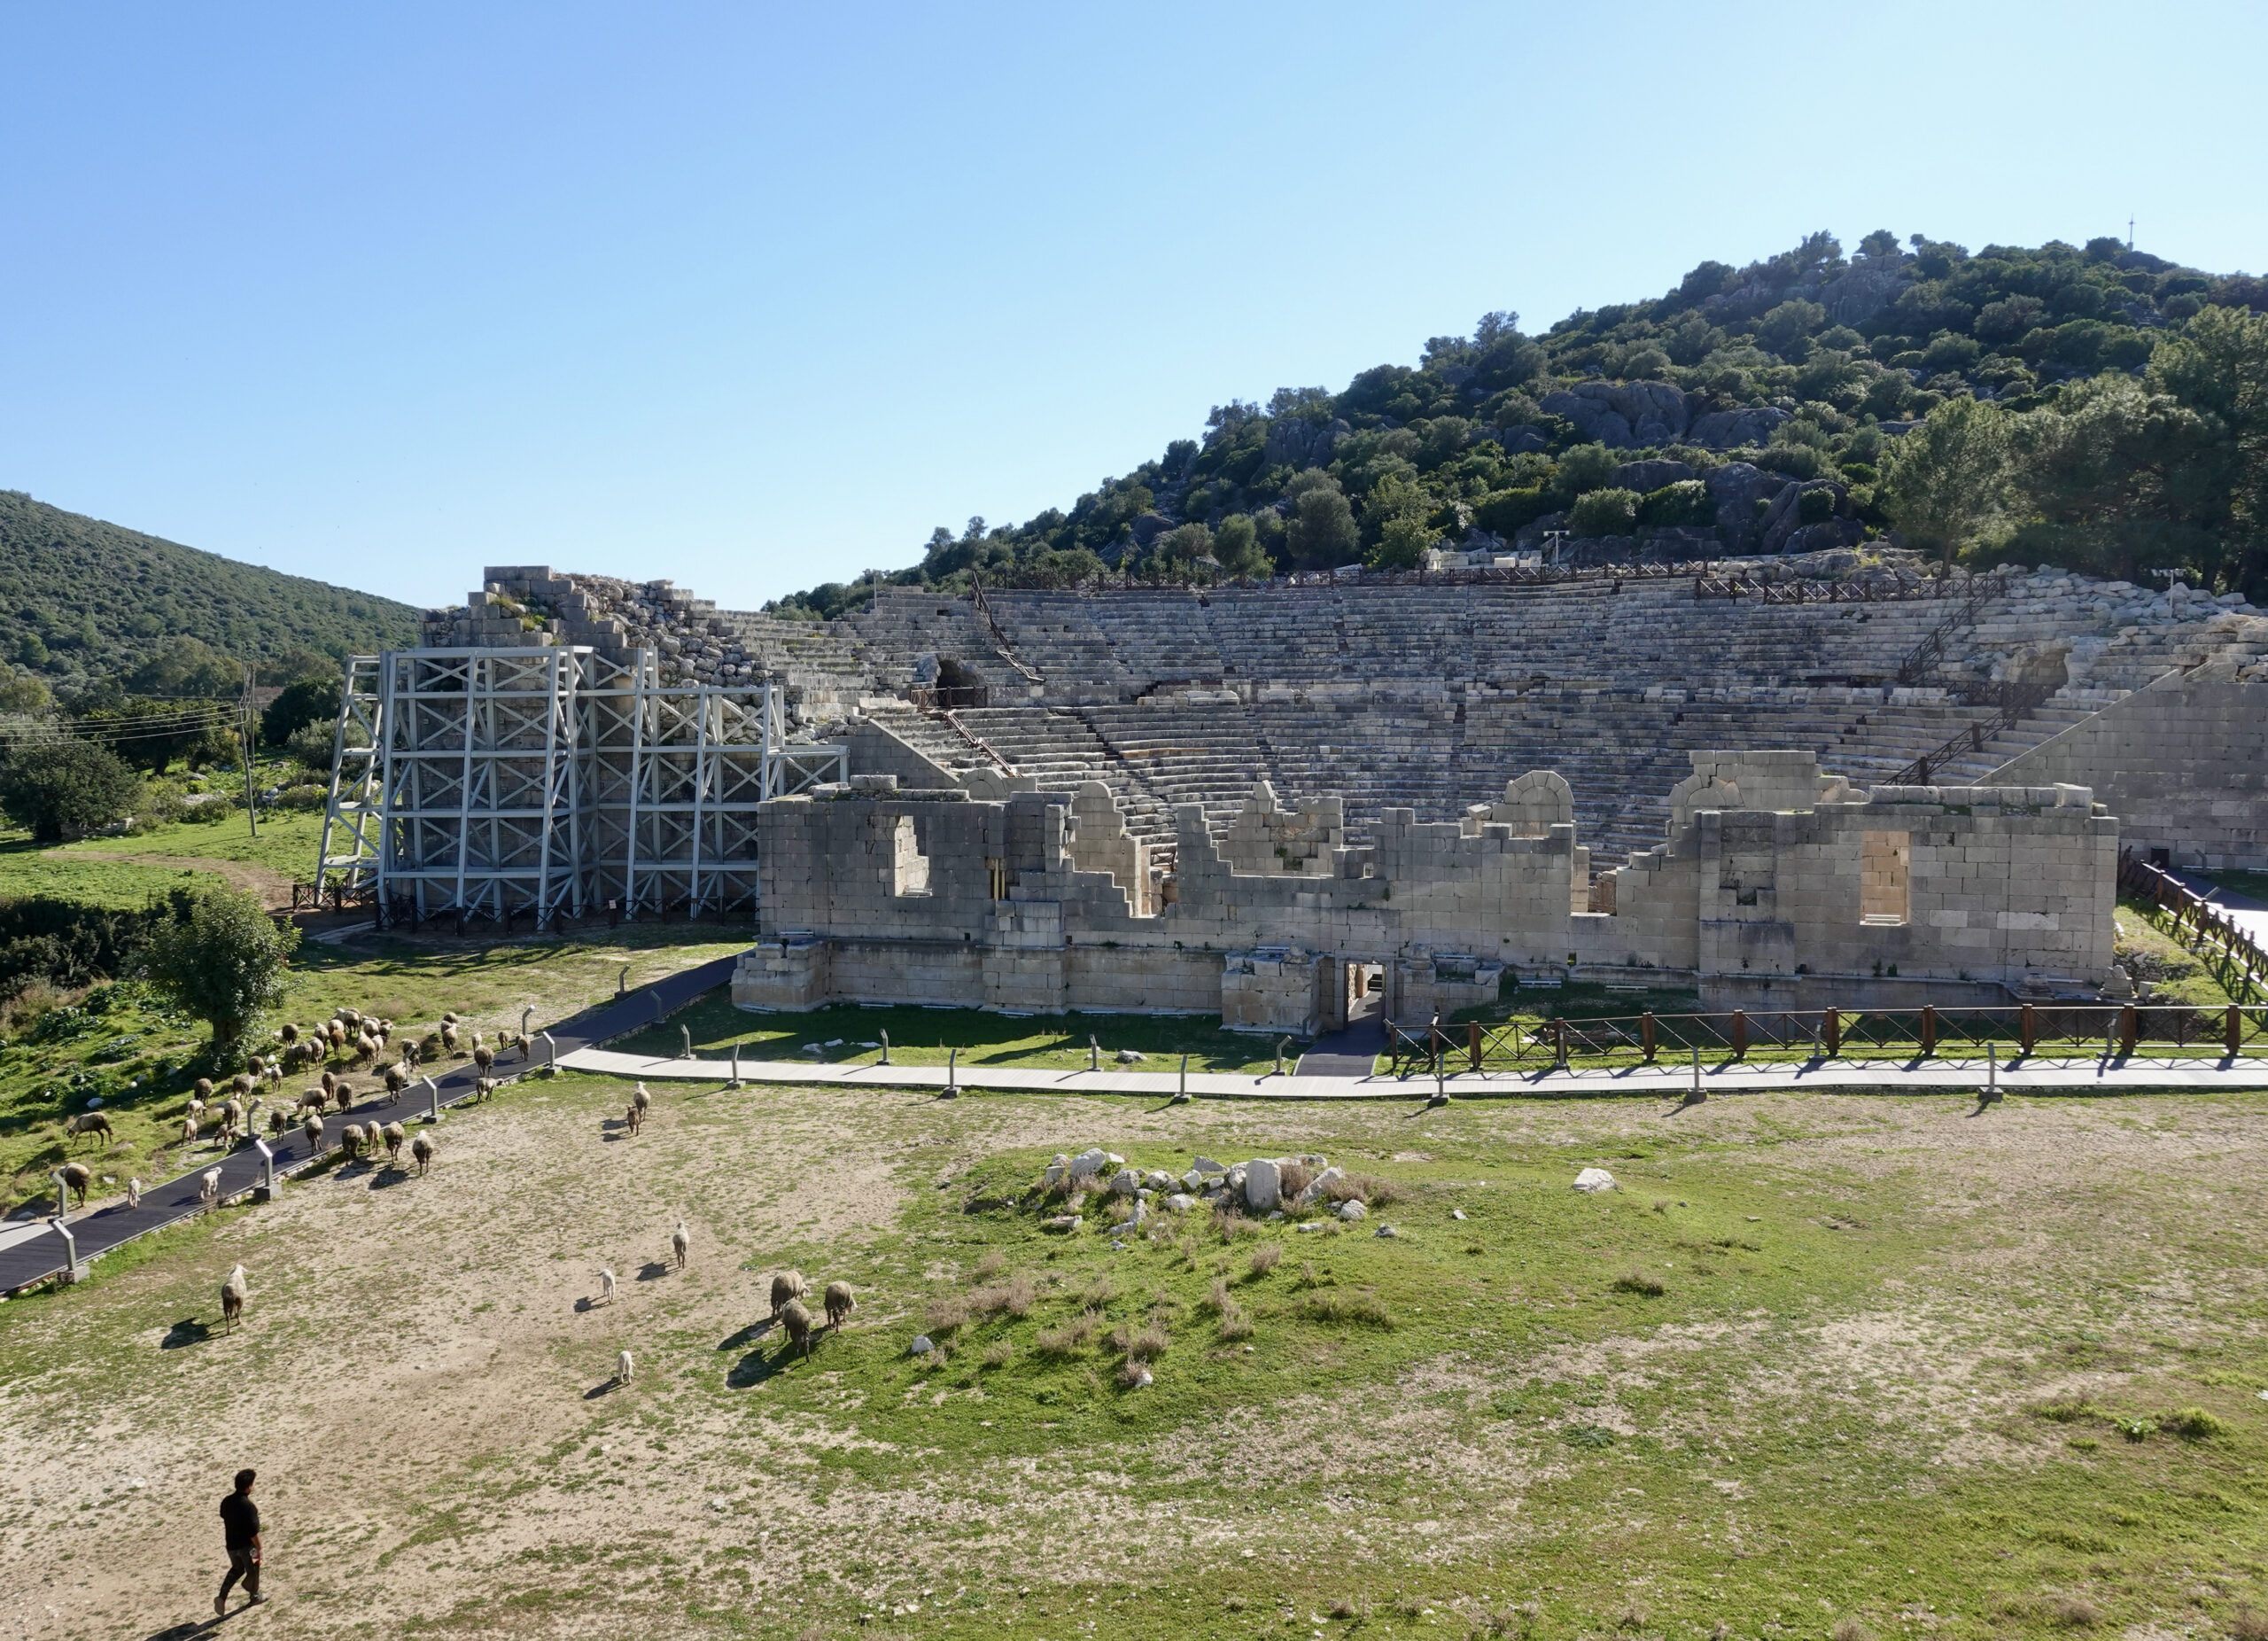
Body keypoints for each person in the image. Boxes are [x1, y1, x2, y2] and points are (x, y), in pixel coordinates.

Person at [216, 1467, 265, 1614]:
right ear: (249, 1486)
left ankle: (222, 1596)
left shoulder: (226, 1501)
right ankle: (254, 1595)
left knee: (237, 1569)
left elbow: (223, 1516)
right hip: (247, 1546)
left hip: (231, 1545)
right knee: (255, 1566)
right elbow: (253, 1532)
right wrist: (259, 1548)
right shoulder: (249, 1507)